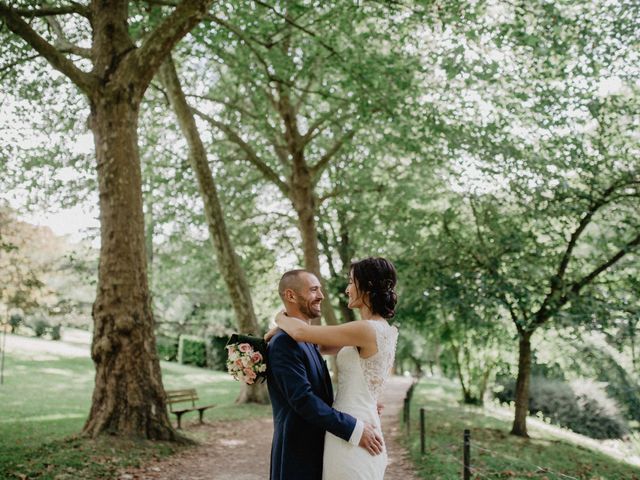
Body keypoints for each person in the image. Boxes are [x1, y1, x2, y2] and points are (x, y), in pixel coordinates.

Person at [267, 257, 399, 480]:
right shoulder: (381, 329)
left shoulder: (364, 329)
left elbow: (302, 334)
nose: (347, 289)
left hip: (354, 426)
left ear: (366, 286)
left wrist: (280, 317)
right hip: (359, 419)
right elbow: (315, 344)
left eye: (350, 282)